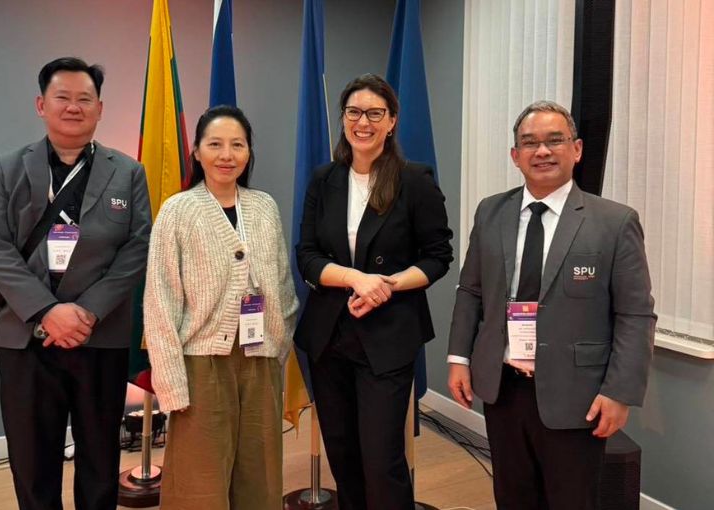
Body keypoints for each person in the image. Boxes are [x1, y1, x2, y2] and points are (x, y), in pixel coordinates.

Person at [447, 100, 656, 509]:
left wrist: (620, 392)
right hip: (503, 389)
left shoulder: (614, 222)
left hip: (576, 395)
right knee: (513, 497)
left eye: (554, 140)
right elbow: (471, 290)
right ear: (515, 155)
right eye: (529, 142)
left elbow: (635, 314)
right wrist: (459, 357)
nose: (541, 151)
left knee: (571, 500)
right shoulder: (491, 212)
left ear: (576, 149)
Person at [0, 57, 152, 510]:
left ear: (99, 109)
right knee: (32, 459)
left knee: (100, 455)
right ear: (42, 104)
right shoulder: (8, 167)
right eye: (63, 97)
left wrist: (86, 312)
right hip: (25, 334)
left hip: (100, 335)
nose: (74, 107)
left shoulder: (128, 172)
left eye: (85, 99)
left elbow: (137, 248)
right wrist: (48, 311)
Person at [295, 73, 454, 510]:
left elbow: (438, 256)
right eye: (353, 112)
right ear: (343, 117)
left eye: (374, 113)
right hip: (330, 337)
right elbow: (306, 255)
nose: (362, 122)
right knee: (343, 455)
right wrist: (355, 279)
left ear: (392, 121)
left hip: (387, 337)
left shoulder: (414, 180)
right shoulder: (323, 180)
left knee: (382, 461)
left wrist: (388, 285)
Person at [144, 105, 298, 510]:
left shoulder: (264, 207)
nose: (226, 155)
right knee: (200, 479)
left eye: (237, 145)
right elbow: (160, 301)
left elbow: (283, 285)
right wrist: (171, 382)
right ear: (196, 152)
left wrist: (276, 348)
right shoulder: (178, 211)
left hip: (260, 359)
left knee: (260, 474)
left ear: (248, 152)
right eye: (215, 144)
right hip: (201, 364)